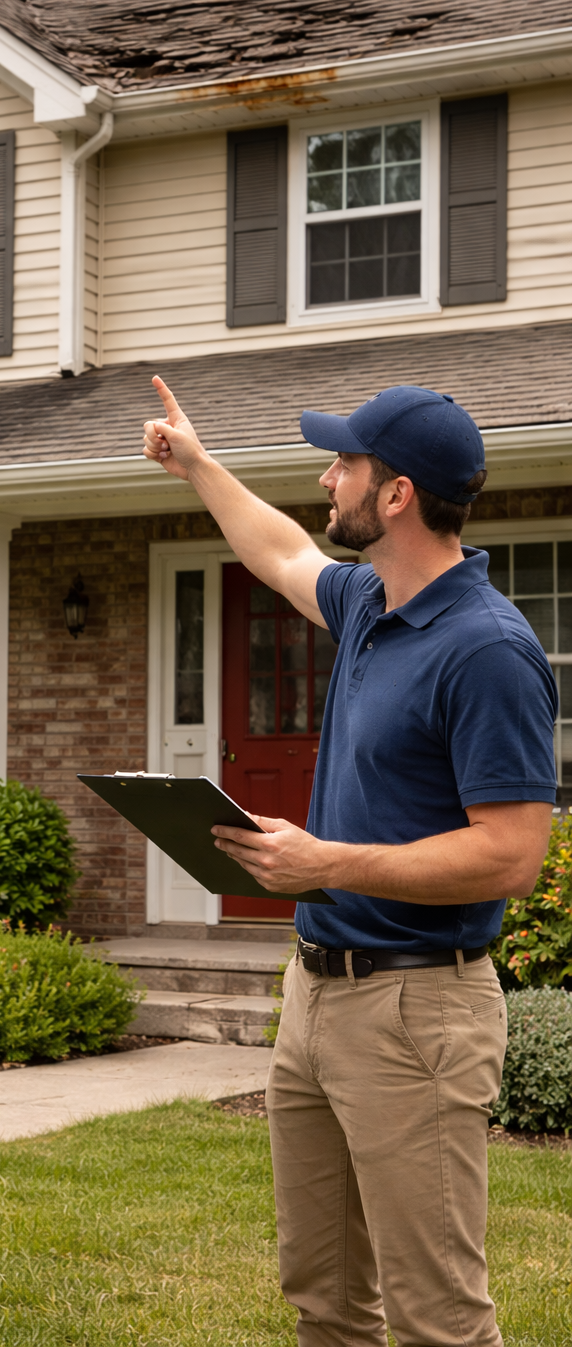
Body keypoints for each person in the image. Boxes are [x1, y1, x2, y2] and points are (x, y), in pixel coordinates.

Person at [143, 379, 557, 1347]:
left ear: (398, 492)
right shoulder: (372, 602)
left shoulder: (486, 649)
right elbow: (282, 552)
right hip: (317, 995)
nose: (326, 479)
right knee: (324, 1295)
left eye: (343, 464)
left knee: (436, 1315)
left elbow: (511, 855)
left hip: (417, 1012)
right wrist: (198, 465)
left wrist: (326, 859)